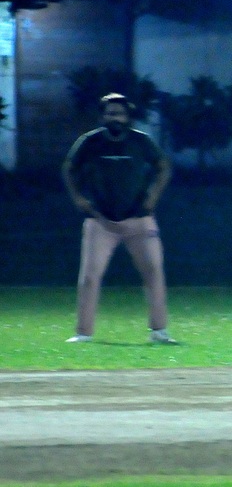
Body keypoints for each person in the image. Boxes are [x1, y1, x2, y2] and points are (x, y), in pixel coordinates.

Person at [62, 92, 177, 344]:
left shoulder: (142, 141)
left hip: (139, 219)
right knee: (90, 276)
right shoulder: (89, 142)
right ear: (103, 116)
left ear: (128, 117)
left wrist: (152, 198)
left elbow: (163, 167)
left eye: (121, 113)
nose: (116, 118)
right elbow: (69, 168)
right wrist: (79, 199)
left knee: (153, 271)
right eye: (111, 113)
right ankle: (83, 333)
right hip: (100, 220)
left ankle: (159, 331)